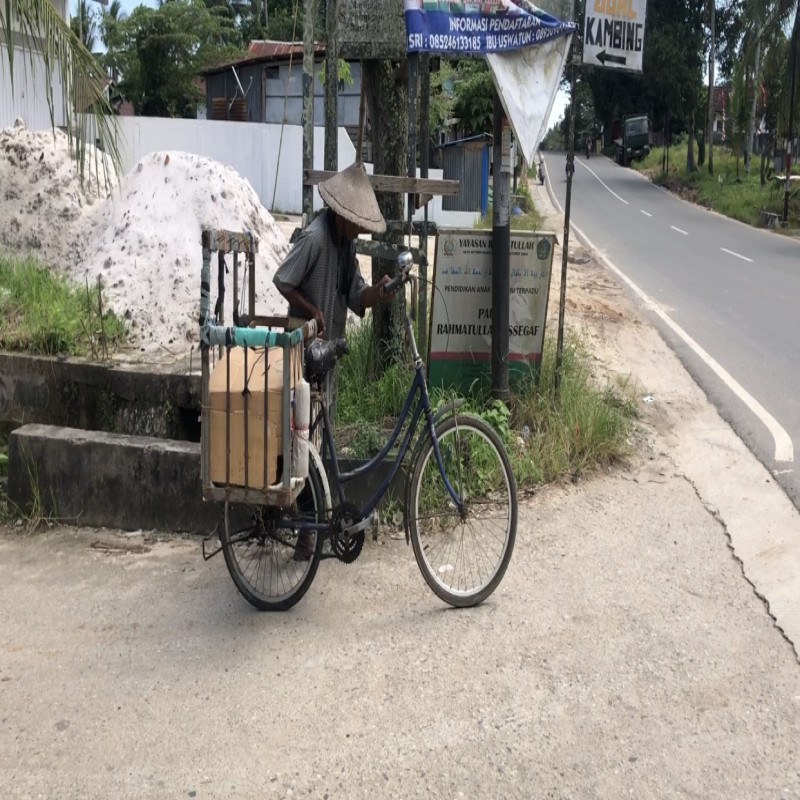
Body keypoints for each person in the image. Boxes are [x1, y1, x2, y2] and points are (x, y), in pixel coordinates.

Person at [273, 161, 394, 343]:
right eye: (357, 223)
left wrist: (378, 291)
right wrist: (312, 311)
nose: (359, 230)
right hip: (302, 347)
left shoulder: (348, 245)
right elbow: (283, 281)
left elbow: (357, 295)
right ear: (342, 215)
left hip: (329, 348)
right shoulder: (315, 238)